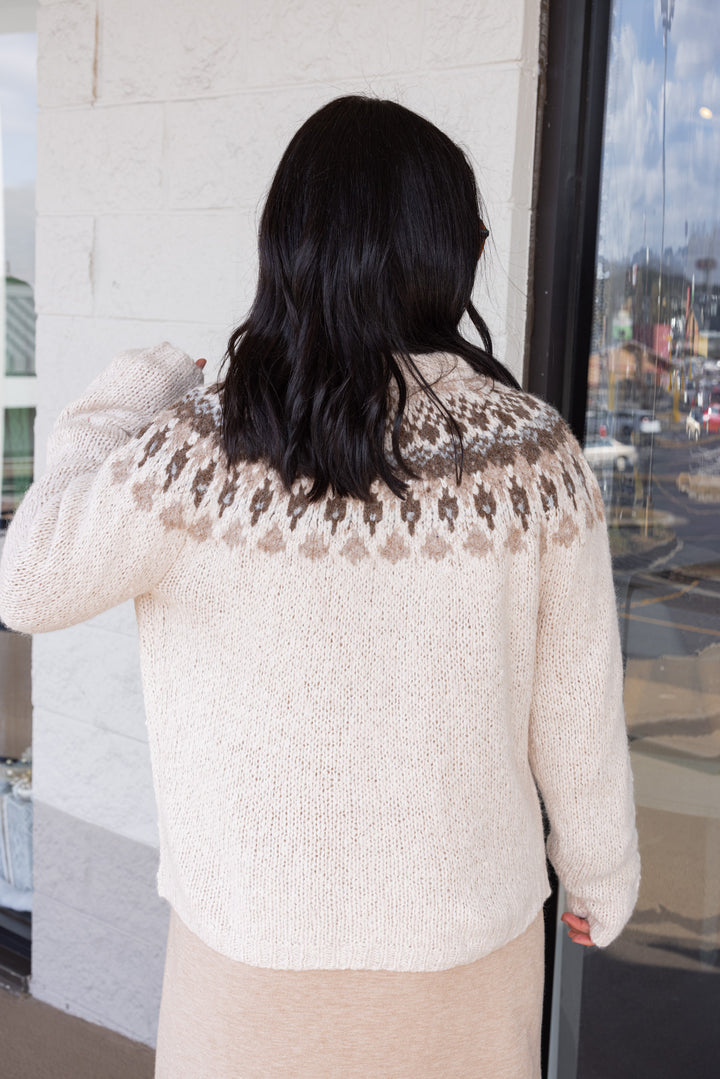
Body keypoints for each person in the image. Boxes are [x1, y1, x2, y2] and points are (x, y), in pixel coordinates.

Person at [0, 95, 640, 1078]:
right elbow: (575, 711)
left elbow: (27, 577)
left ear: (287, 244)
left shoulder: (202, 450)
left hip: (248, 969)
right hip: (466, 960)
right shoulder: (534, 454)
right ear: (454, 251)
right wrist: (602, 869)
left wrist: (141, 385)